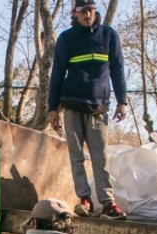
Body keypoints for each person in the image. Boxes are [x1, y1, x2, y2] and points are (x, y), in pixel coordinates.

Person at [48, 0, 128, 220]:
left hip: (99, 107)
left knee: (100, 156)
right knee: (76, 156)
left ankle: (108, 203)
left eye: (90, 10)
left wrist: (122, 101)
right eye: (83, 11)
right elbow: (57, 74)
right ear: (75, 13)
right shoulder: (66, 39)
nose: (87, 15)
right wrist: (52, 107)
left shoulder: (109, 36)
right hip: (72, 105)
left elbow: (118, 69)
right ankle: (84, 199)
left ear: (95, 10)